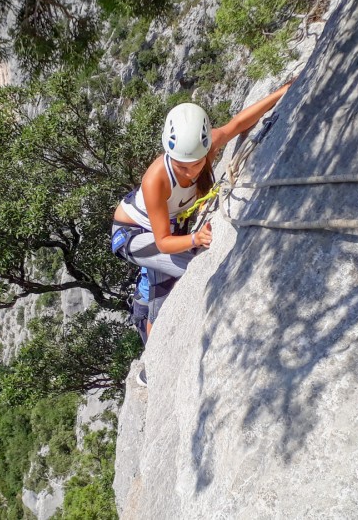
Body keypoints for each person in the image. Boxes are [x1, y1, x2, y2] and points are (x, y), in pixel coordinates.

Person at [110, 80, 295, 352]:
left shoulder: (205, 149)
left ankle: (145, 299)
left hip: (168, 226)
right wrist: (196, 238)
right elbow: (162, 242)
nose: (190, 172)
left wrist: (282, 93)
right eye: (181, 167)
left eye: (196, 164)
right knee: (190, 271)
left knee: (161, 283)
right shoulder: (156, 180)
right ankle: (153, 360)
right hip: (131, 235)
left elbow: (239, 124)